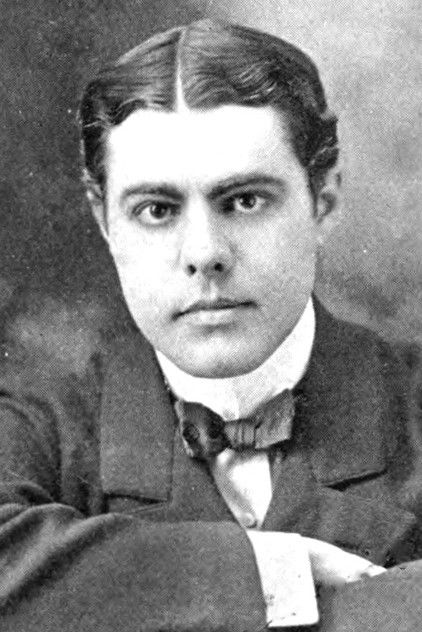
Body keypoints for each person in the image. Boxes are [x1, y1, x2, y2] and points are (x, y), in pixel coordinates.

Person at [0, 18, 421, 632]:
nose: (204, 252)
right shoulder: (40, 422)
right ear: (104, 221)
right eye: (156, 210)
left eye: (245, 200)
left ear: (323, 200)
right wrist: (268, 574)